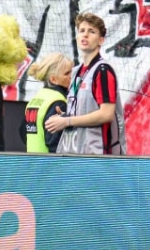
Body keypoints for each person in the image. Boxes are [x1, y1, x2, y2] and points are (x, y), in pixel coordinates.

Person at [46, 12, 119, 154]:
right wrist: (65, 116)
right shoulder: (76, 72)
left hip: (98, 153)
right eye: (82, 31)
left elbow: (106, 114)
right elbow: (83, 111)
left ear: (101, 40)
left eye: (91, 32)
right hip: (75, 151)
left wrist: (67, 121)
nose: (85, 35)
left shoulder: (103, 70)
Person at [21, 52, 72, 154]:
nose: (71, 76)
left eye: (72, 71)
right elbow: (55, 142)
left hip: (33, 164)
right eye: (67, 73)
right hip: (51, 166)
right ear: (53, 79)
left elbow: (23, 132)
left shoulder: (35, 99)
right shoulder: (58, 101)